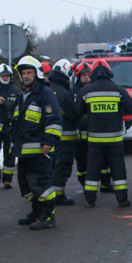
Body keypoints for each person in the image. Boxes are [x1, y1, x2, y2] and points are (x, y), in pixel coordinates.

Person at [76, 59, 132, 208]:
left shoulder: (85, 91)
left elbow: (77, 112)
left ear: (93, 73)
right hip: (115, 138)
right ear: (109, 72)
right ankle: (122, 199)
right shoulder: (118, 90)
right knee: (118, 168)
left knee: (92, 168)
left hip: (94, 139)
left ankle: (90, 199)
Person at [11, 55, 62, 230]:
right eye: (24, 73)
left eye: (29, 72)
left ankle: (48, 217)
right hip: (24, 150)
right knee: (26, 184)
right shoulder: (22, 94)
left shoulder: (45, 93)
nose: (26, 76)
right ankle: (36, 213)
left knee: (41, 183)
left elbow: (54, 119)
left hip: (40, 149)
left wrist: (49, 141)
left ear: (36, 73)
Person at [48, 59, 79, 206]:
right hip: (66, 137)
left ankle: (48, 193)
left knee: (52, 165)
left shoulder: (48, 89)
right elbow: (73, 114)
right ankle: (58, 195)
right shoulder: (64, 93)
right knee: (63, 166)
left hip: (51, 137)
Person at [72, 61, 92, 190]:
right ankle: (83, 181)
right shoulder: (73, 91)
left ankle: (105, 182)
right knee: (81, 160)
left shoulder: (94, 89)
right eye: (83, 75)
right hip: (79, 135)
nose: (86, 77)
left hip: (94, 132)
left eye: (88, 74)